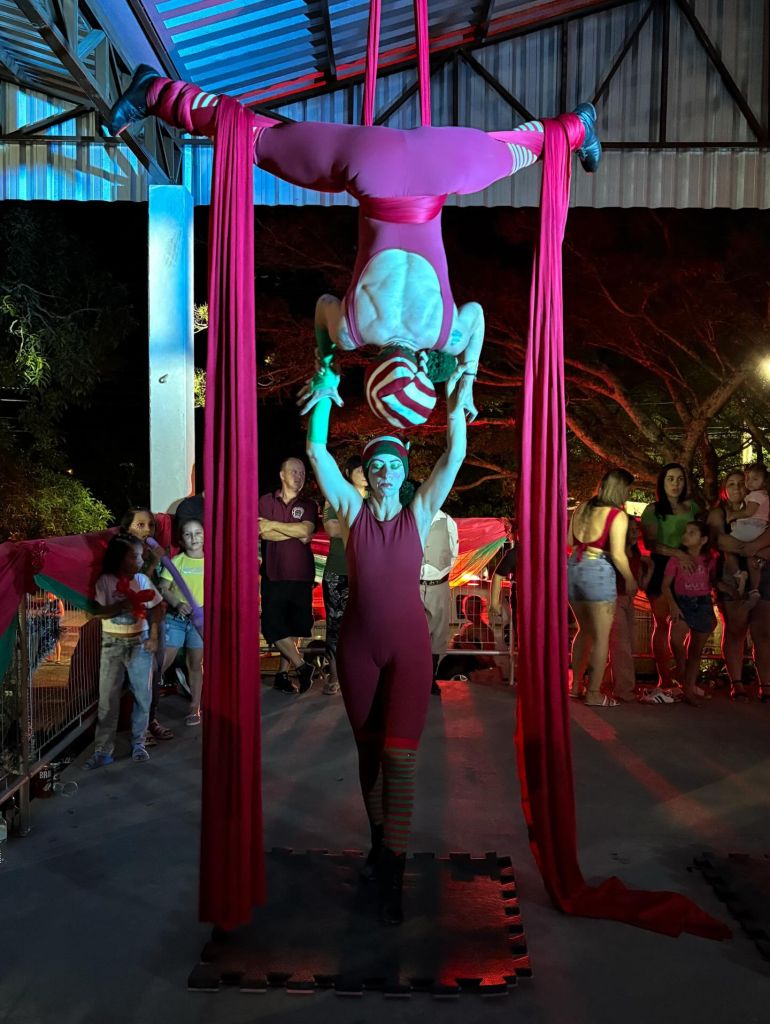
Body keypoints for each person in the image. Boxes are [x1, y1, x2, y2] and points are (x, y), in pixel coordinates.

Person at [108, 67, 601, 429]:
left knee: (518, 150)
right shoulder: (351, 330)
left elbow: (478, 316)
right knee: (255, 139)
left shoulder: (447, 334)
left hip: (440, 166)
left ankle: (577, 126)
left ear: (424, 372)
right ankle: (156, 92)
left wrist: (467, 380)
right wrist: (326, 371)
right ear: (370, 372)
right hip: (368, 166)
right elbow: (322, 307)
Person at [306, 382, 467, 925]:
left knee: (400, 758)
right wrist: (324, 391)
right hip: (357, 650)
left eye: (394, 464)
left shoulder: (419, 513)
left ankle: (394, 871)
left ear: (404, 472)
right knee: (369, 755)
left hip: (407, 651)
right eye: (376, 465)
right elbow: (316, 452)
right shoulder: (351, 512)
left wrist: (458, 401)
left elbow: (454, 456)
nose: (385, 472)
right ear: (367, 474)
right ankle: (380, 846)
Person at [83, 534, 163, 770]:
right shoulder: (105, 581)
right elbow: (94, 612)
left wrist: (154, 636)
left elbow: (157, 607)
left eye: (141, 556)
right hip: (112, 645)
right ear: (119, 558)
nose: (140, 561)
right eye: (135, 556)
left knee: (143, 696)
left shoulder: (141, 580)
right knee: (108, 700)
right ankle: (103, 751)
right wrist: (120, 606)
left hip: (140, 643)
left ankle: (139, 742)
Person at [567, 469, 637, 707]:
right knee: (601, 636)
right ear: (620, 489)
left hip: (574, 567)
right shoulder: (616, 515)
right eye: (628, 490)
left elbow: (569, 541)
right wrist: (630, 578)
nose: (628, 494)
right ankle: (594, 693)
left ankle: (575, 685)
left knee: (584, 630)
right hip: (598, 569)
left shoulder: (582, 508)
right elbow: (618, 554)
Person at [707, 470, 770, 702]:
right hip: (731, 571)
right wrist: (751, 549)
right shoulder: (720, 512)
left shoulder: (761, 505)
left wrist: (758, 549)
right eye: (730, 484)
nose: (736, 488)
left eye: (740, 483)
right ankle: (737, 682)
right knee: (735, 629)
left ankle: (766, 684)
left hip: (762, 568)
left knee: (763, 631)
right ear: (724, 489)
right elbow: (717, 539)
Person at [258, 458, 318, 695]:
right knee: (272, 626)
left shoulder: (309, 504)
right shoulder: (265, 501)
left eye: (302, 473)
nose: (299, 476)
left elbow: (305, 531)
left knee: (293, 626)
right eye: (294, 472)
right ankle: (303, 666)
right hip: (273, 574)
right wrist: (294, 531)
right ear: (282, 475)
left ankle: (283, 675)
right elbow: (261, 532)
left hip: (301, 574)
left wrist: (272, 525)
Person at [640, 463, 700, 691]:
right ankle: (664, 678)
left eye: (680, 479)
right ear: (662, 482)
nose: (675, 484)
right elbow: (650, 543)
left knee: (688, 624)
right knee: (662, 624)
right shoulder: (653, 510)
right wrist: (678, 554)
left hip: (689, 570)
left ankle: (685, 677)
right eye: (670, 479)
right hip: (662, 567)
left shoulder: (693, 507)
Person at [119, 507, 174, 743]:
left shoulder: (150, 551)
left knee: (156, 671)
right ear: (127, 528)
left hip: (155, 617)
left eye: (150, 525)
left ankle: (151, 720)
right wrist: (153, 562)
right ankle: (139, 729)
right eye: (140, 525)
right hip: (135, 620)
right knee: (142, 674)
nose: (147, 530)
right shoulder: (123, 552)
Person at [322, 455, 368, 696]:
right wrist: (368, 528)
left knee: (367, 625)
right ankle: (334, 675)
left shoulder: (377, 498)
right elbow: (332, 529)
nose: (365, 474)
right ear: (348, 473)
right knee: (336, 626)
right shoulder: (335, 497)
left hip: (369, 574)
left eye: (367, 469)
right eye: (359, 470)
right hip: (338, 571)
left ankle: (362, 674)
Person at [661, 521, 717, 707]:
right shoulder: (676, 559)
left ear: (703, 540)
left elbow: (713, 581)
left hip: (703, 603)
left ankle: (688, 689)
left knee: (695, 651)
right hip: (682, 602)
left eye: (692, 533)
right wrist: (673, 606)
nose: (686, 535)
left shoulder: (709, 560)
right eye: (685, 531)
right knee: (675, 640)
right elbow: (665, 585)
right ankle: (681, 668)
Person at [158, 519, 205, 726]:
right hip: (175, 619)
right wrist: (177, 603)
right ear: (182, 539)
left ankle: (195, 708)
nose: (194, 538)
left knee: (195, 664)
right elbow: (163, 587)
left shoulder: (212, 562)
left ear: (204, 536)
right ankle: (148, 708)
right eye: (188, 534)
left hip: (199, 623)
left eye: (198, 533)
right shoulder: (176, 562)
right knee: (161, 663)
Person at [606, 517, 652, 703]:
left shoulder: (635, 554)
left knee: (627, 643)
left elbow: (641, 585)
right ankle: (623, 688)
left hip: (628, 601)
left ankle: (608, 680)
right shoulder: (613, 553)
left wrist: (649, 569)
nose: (635, 533)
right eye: (631, 530)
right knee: (622, 643)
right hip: (614, 599)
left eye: (636, 530)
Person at [419, 507, 459, 695]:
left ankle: (430, 678)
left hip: (439, 584)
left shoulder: (448, 521)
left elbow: (454, 551)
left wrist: (441, 572)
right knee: (411, 631)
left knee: (438, 634)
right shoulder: (412, 516)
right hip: (413, 584)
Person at [723, 463, 770, 607]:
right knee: (752, 560)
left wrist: (733, 515)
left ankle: (738, 573)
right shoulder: (761, 496)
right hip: (757, 533)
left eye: (741, 483)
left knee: (727, 548)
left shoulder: (756, 496)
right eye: (748, 479)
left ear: (764, 482)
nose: (749, 483)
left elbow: (749, 512)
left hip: (751, 529)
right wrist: (757, 549)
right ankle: (754, 590)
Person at [489, 519, 517, 647]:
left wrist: (494, 603)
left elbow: (497, 576)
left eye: (509, 531)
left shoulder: (513, 554)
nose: (508, 534)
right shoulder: (544, 550)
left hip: (520, 600)